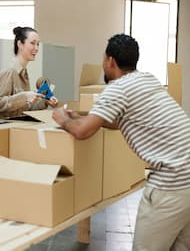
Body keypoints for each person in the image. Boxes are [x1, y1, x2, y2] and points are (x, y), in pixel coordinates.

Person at [53, 33, 190, 250]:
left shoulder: (117, 88)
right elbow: (122, 121)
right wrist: (82, 118)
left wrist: (62, 118)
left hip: (171, 183)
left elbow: (81, 133)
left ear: (110, 61)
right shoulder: (147, 79)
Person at [0, 26, 58, 120]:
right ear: (20, 44)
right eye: (32, 43)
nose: (36, 48)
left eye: (38, 44)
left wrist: (46, 101)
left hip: (21, 125)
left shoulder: (24, 73)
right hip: (8, 129)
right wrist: (24, 97)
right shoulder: (9, 71)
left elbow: (26, 108)